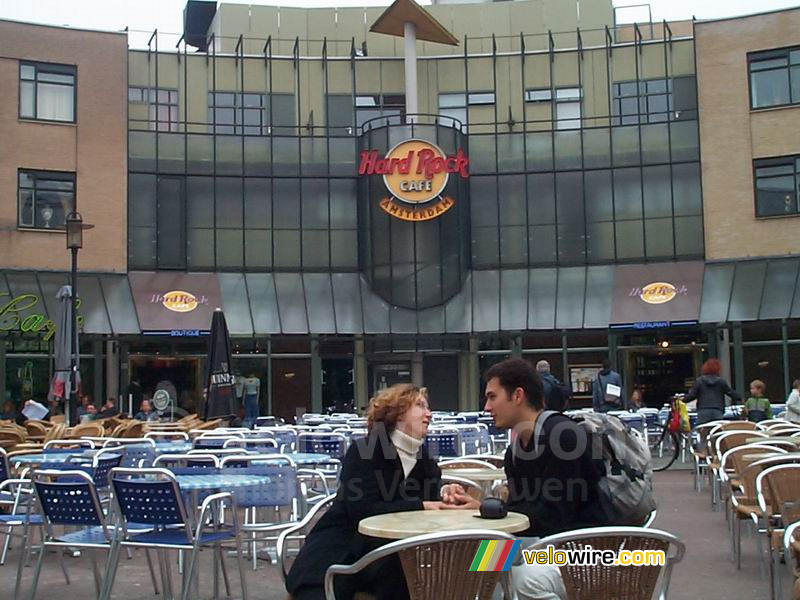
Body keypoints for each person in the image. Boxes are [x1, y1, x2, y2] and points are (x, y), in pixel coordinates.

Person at [443, 358, 605, 600]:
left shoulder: (563, 436)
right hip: (542, 544)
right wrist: (483, 508)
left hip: (585, 549)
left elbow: (554, 515)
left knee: (523, 581)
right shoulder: (516, 451)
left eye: (492, 397)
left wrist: (492, 511)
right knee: (475, 571)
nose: (487, 407)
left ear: (517, 395)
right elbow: (525, 513)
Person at [285, 384, 444, 600]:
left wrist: (446, 495)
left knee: (423, 582)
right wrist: (421, 505)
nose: (429, 413)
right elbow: (363, 511)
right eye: (420, 406)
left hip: (392, 558)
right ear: (396, 413)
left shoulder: (426, 463)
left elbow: (430, 512)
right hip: (339, 549)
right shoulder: (365, 451)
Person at [684, 358, 740, 425]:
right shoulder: (721, 381)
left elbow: (692, 395)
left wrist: (682, 399)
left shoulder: (700, 381)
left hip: (703, 411)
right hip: (717, 411)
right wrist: (739, 398)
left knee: (702, 431)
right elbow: (730, 393)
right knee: (716, 431)